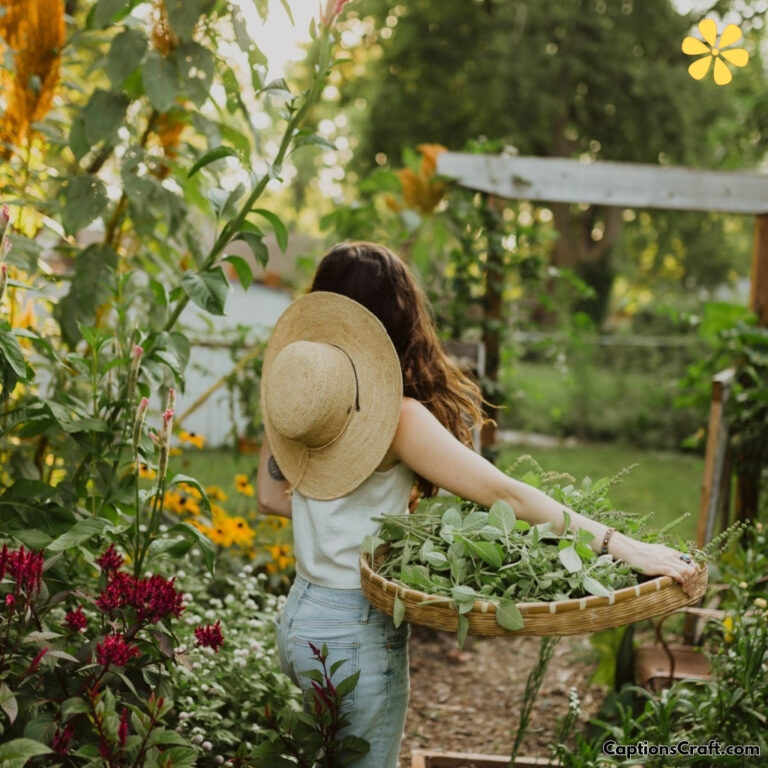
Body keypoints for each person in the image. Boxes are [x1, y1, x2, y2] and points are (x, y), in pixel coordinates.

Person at [256, 241, 699, 768]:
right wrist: (620, 545)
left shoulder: (298, 394)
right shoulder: (396, 417)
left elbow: (269, 497)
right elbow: (504, 495)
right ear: (398, 318)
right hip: (354, 630)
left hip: (300, 619)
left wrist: (352, 522)